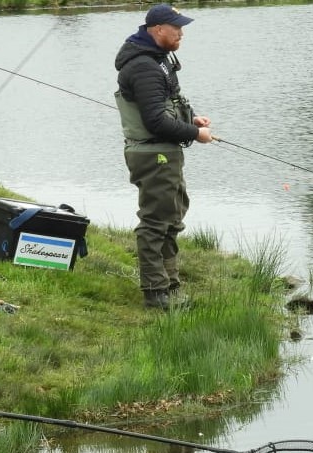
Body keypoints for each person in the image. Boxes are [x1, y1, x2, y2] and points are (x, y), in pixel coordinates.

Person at [114, 3, 214, 310]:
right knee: (155, 223)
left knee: (172, 218)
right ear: (158, 29)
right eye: (176, 28)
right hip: (153, 154)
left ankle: (170, 286)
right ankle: (155, 294)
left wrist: (191, 119)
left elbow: (165, 104)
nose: (181, 33)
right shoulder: (144, 67)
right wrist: (196, 134)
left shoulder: (158, 59)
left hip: (163, 152)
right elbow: (156, 121)